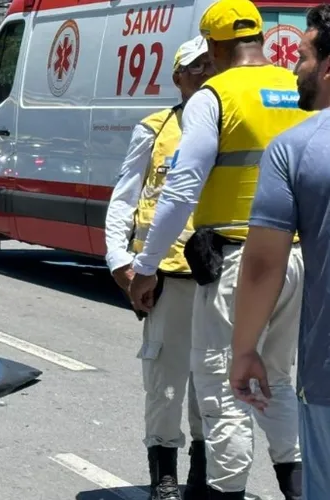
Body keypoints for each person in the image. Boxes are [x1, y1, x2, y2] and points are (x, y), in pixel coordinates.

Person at [127, 0, 311, 497]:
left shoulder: (214, 96)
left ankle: (224, 492)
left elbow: (181, 189)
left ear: (213, 46)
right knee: (277, 379)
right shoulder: (295, 87)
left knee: (224, 385)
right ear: (259, 37)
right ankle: (301, 489)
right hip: (294, 257)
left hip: (237, 261)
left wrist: (146, 265)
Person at [104, 36, 212, 500]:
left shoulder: (234, 126)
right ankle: (164, 477)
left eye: (212, 65)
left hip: (220, 276)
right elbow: (124, 198)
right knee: (166, 384)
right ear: (178, 78)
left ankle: (203, 476)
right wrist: (119, 261)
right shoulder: (156, 127)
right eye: (196, 67)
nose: (206, 74)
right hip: (168, 277)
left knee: (213, 384)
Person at [230, 4, 330, 498]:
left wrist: (245, 349)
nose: (294, 68)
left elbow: (263, 263)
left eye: (304, 57)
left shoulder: (296, 148)